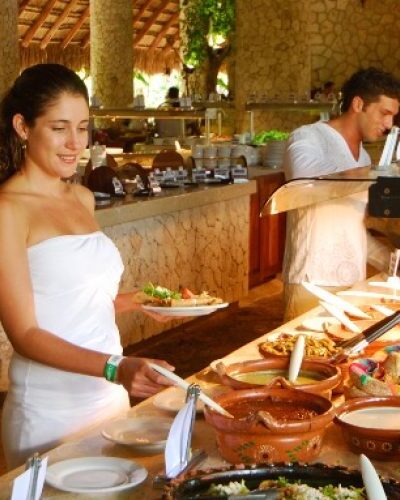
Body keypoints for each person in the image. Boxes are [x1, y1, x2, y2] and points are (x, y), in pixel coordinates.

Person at [0, 63, 175, 468]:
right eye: (59, 127)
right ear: (23, 127)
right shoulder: (9, 209)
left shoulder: (81, 198)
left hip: (108, 397)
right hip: (50, 410)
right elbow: (25, 332)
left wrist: (135, 301)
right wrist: (117, 367)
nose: (74, 143)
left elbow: (66, 300)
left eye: (82, 128)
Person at [282, 67, 400, 321]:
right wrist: (382, 174)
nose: (389, 124)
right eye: (385, 113)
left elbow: (353, 228)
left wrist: (391, 262)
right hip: (311, 281)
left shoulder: (365, 157)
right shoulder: (308, 137)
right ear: (359, 104)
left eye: (393, 116)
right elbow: (305, 180)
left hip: (354, 283)